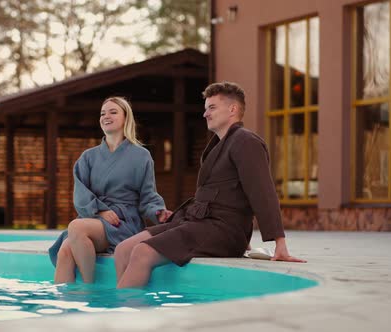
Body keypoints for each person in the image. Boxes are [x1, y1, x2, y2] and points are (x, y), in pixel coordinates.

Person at [114, 81, 306, 289]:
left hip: (222, 230)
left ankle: (124, 315)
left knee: (143, 252)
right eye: (205, 109)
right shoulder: (218, 144)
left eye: (212, 108)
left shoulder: (246, 141)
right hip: (198, 223)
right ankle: (126, 303)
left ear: (232, 109)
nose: (205, 114)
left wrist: (279, 242)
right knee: (123, 249)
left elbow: (263, 192)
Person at [49, 96, 173, 284]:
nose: (106, 116)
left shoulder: (141, 156)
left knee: (76, 227)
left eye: (113, 112)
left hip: (123, 222)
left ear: (126, 118)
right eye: (102, 113)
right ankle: (64, 307)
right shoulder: (88, 157)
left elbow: (148, 196)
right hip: (93, 218)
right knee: (64, 252)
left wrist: (158, 212)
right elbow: (80, 193)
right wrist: (100, 210)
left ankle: (89, 288)